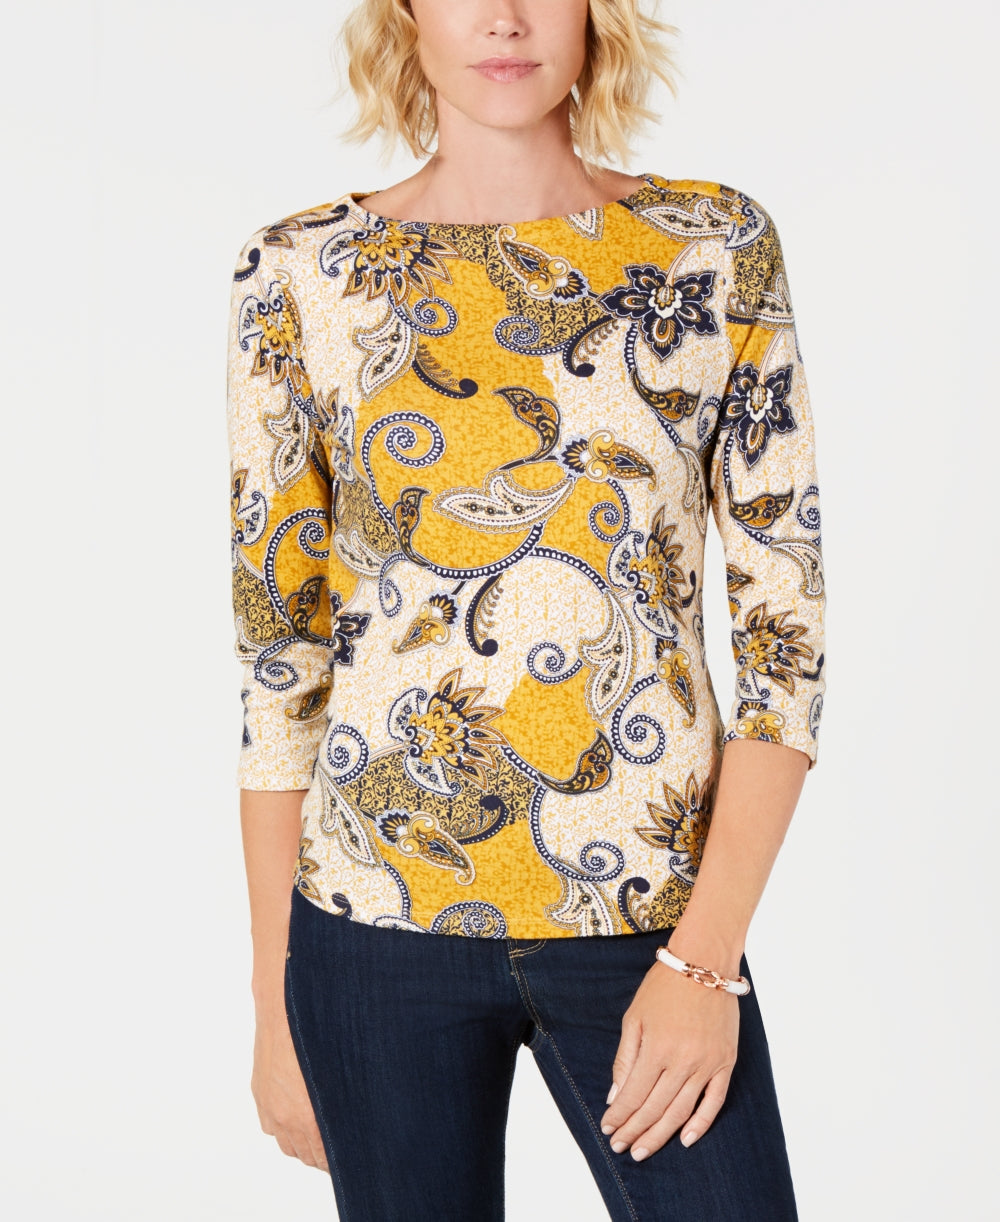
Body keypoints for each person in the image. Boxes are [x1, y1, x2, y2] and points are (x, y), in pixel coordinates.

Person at [226, 1, 826, 1218]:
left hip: (649, 919)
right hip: (369, 929)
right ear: (405, 15)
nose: (503, 18)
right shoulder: (298, 271)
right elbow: (277, 663)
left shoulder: (710, 249)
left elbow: (786, 642)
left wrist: (704, 961)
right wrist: (274, 1000)